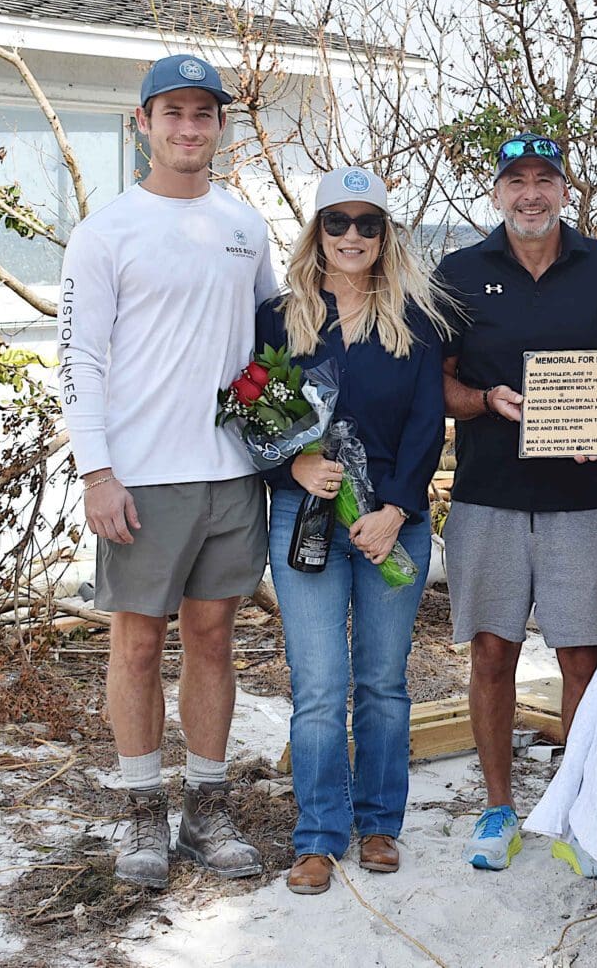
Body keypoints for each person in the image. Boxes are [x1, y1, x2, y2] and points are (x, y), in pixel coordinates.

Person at [59, 54, 277, 888]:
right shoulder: (106, 230)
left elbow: (268, 343)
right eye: (173, 113)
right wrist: (96, 471)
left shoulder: (245, 225)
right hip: (142, 477)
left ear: (221, 126)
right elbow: (79, 356)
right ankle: (142, 812)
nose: (190, 128)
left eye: (204, 114)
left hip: (232, 476)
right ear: (141, 124)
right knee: (138, 646)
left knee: (215, 641)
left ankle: (206, 808)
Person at [437, 132, 597, 873]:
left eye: (545, 179)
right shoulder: (459, 271)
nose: (531, 193)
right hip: (488, 497)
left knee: (583, 660)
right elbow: (442, 384)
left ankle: (577, 810)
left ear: (567, 190)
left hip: (586, 499)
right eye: (516, 180)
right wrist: (484, 402)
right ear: (496, 194)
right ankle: (498, 809)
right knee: (491, 653)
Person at [258, 168, 454, 895]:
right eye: (336, 222)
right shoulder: (279, 319)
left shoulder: (417, 320)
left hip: (391, 523)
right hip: (302, 518)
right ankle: (317, 836)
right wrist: (296, 467)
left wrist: (396, 510)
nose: (351, 236)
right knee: (317, 685)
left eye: (366, 224)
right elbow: (259, 415)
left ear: (385, 234)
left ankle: (378, 826)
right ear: (316, 232)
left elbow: (427, 425)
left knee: (381, 683)